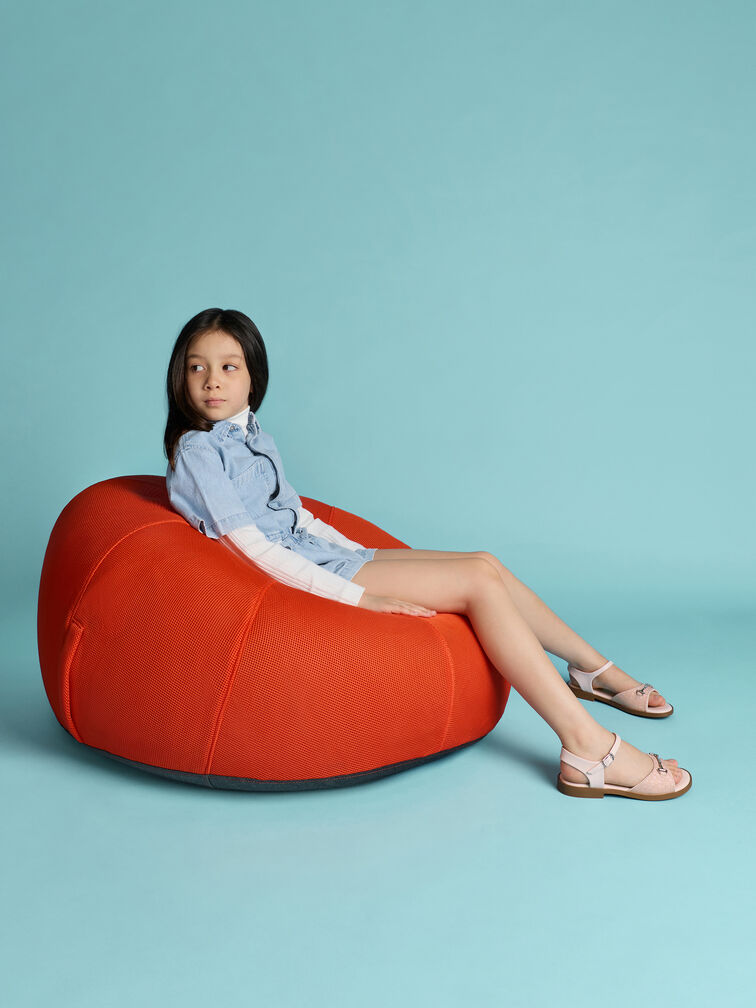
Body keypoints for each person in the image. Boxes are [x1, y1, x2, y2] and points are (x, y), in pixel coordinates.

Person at [164, 307, 692, 802]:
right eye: (197, 367)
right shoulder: (197, 451)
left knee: (484, 563)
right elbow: (252, 550)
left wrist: (365, 554)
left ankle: (592, 671)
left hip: (318, 554)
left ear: (253, 377)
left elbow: (296, 517)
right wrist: (359, 596)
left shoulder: (252, 435)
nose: (212, 381)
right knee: (477, 585)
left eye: (228, 367)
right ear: (180, 379)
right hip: (294, 577)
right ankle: (588, 746)